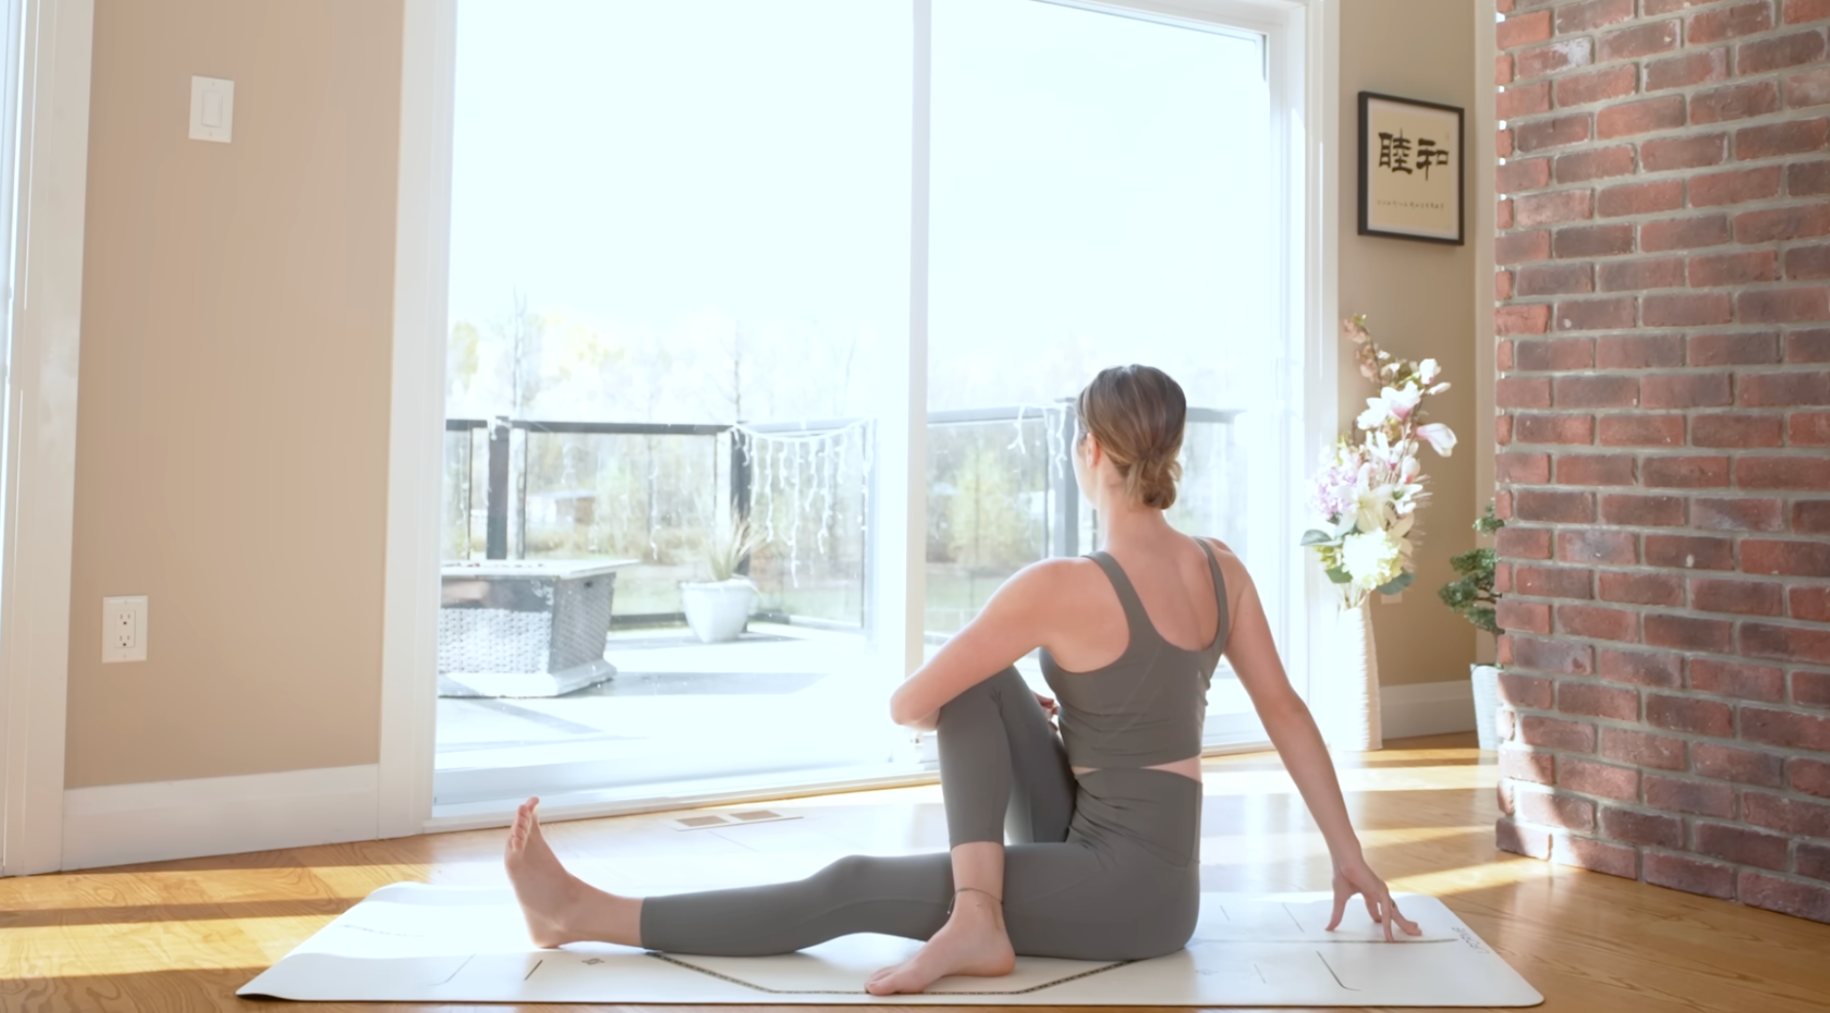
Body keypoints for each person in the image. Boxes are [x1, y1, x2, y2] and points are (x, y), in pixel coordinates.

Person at [503, 364, 1419, 995]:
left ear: (1090, 453)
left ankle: (582, 912)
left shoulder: (1057, 588)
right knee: (985, 682)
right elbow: (1290, 715)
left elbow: (909, 704)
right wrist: (1348, 853)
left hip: (1123, 894)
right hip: (1157, 880)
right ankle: (978, 906)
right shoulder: (1222, 569)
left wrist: (1016, 678)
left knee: (854, 880)